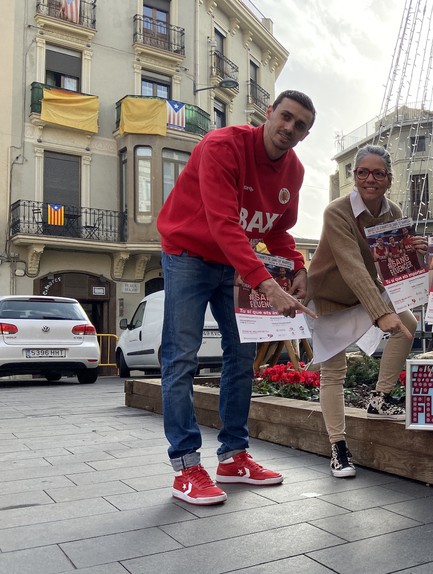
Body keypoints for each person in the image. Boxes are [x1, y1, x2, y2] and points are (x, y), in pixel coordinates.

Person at [156, 90, 317, 505]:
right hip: (187, 252)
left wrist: (298, 266)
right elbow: (224, 222)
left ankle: (233, 456)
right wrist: (267, 283)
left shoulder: (293, 172)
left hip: (234, 261)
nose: (289, 128)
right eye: (285, 117)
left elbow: (277, 230)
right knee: (181, 356)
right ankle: (187, 467)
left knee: (242, 354)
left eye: (300, 126)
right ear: (269, 113)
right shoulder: (222, 145)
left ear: (305, 134)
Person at [307, 145, 425, 478]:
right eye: (362, 172)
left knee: (408, 324)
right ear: (355, 176)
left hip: (365, 293)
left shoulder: (394, 212)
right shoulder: (337, 211)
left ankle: (380, 398)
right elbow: (352, 266)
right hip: (329, 296)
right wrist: (380, 312)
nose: (369, 179)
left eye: (378, 173)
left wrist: (417, 253)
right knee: (333, 370)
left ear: (389, 179)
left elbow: (395, 266)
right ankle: (338, 448)